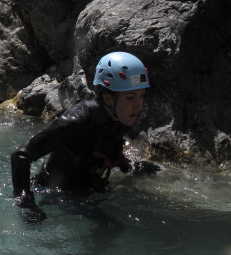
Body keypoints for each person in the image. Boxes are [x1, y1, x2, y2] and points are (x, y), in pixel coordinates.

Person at [10, 51, 158, 221]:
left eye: (141, 96)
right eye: (131, 98)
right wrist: (26, 203)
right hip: (57, 192)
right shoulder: (74, 122)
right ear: (109, 98)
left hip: (88, 188)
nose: (138, 106)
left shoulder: (120, 115)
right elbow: (20, 155)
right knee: (111, 225)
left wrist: (129, 167)